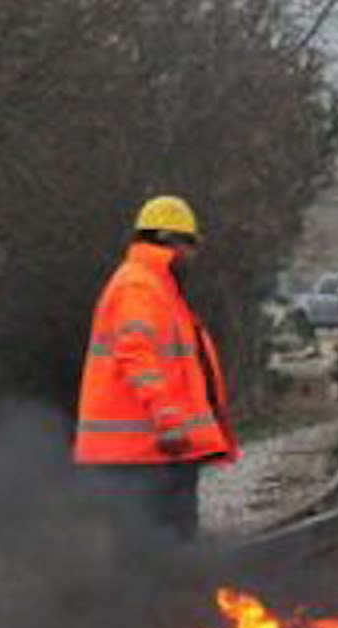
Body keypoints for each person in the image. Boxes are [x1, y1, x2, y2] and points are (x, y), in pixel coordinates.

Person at [73, 195, 236, 539]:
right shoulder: (139, 286)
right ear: (170, 242)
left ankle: (171, 593)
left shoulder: (155, 286)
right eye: (191, 245)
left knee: (160, 551)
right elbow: (137, 354)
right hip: (143, 451)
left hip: (150, 451)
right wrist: (168, 418)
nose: (195, 256)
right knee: (158, 550)